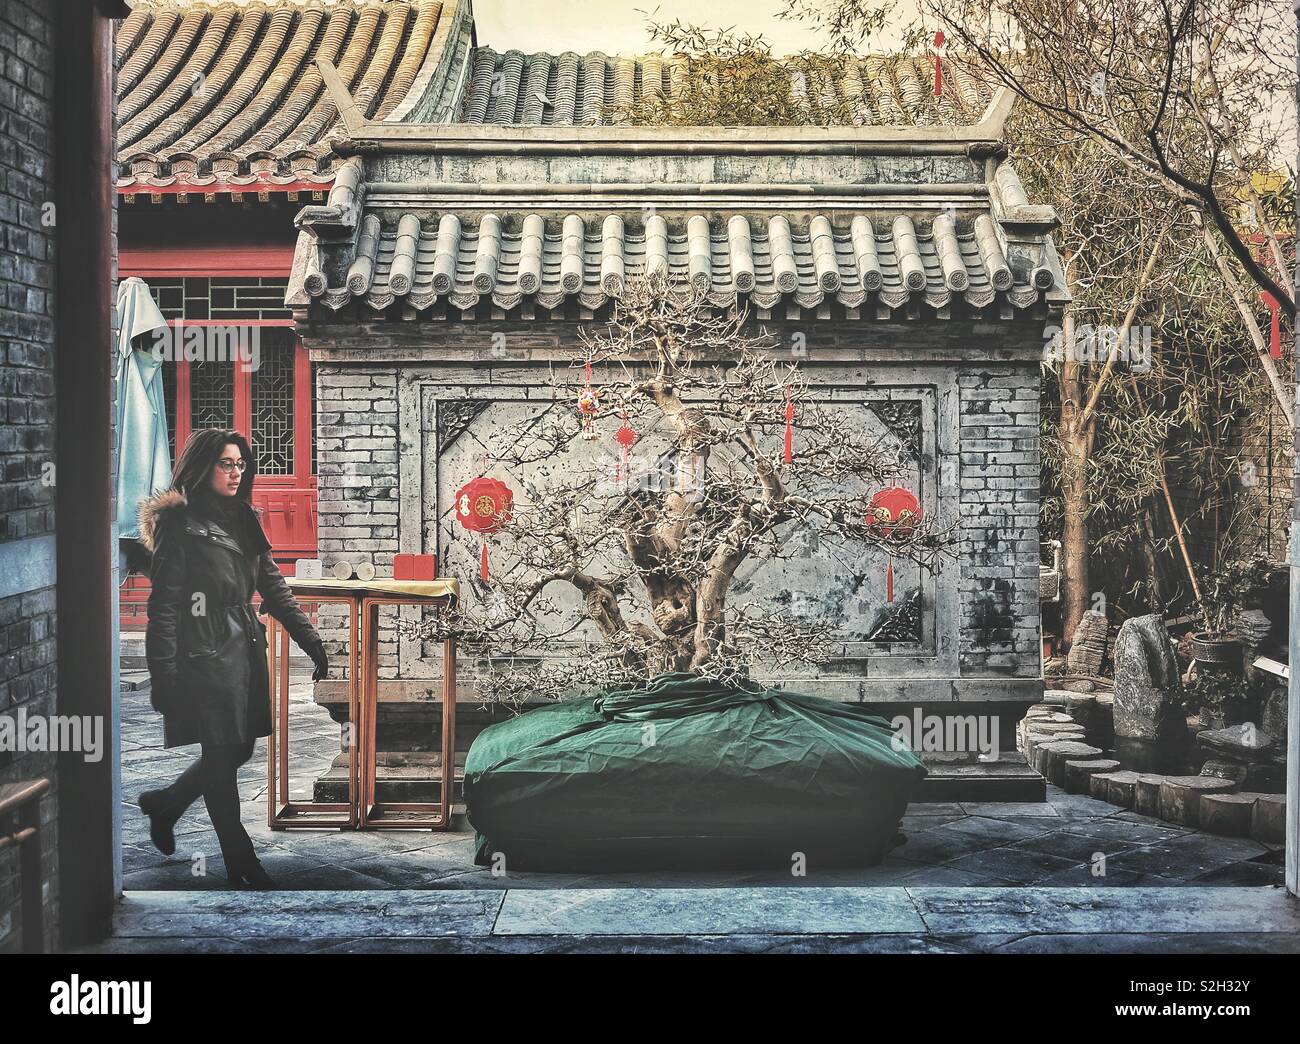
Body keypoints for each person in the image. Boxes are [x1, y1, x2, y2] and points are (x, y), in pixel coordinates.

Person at [135, 428, 329, 888]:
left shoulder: (243, 517)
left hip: (244, 646)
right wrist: (163, 676)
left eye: (241, 464)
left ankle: (166, 804)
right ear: (204, 466)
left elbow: (272, 583)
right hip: (203, 651)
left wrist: (310, 639)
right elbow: (163, 608)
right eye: (226, 463)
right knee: (222, 752)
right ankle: (241, 860)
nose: (236, 472)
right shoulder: (178, 526)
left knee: (236, 748)